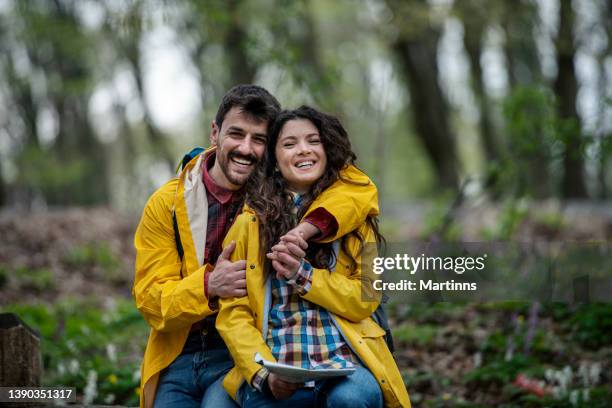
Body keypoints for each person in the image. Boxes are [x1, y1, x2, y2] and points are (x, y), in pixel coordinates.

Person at [133, 86, 380, 408]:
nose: (246, 149)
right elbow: (150, 300)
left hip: (242, 350)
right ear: (215, 133)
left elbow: (358, 187)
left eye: (260, 139)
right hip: (179, 351)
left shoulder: (272, 197)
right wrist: (209, 285)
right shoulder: (167, 203)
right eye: (236, 134)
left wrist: (307, 229)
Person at [216, 106, 411, 407]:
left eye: (313, 141)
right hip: (279, 368)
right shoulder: (248, 222)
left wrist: (303, 276)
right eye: (289, 144)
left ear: (327, 148)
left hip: (345, 365)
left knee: (352, 400)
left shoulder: (357, 216)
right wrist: (264, 375)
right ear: (275, 159)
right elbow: (234, 313)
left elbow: (366, 298)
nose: (303, 150)